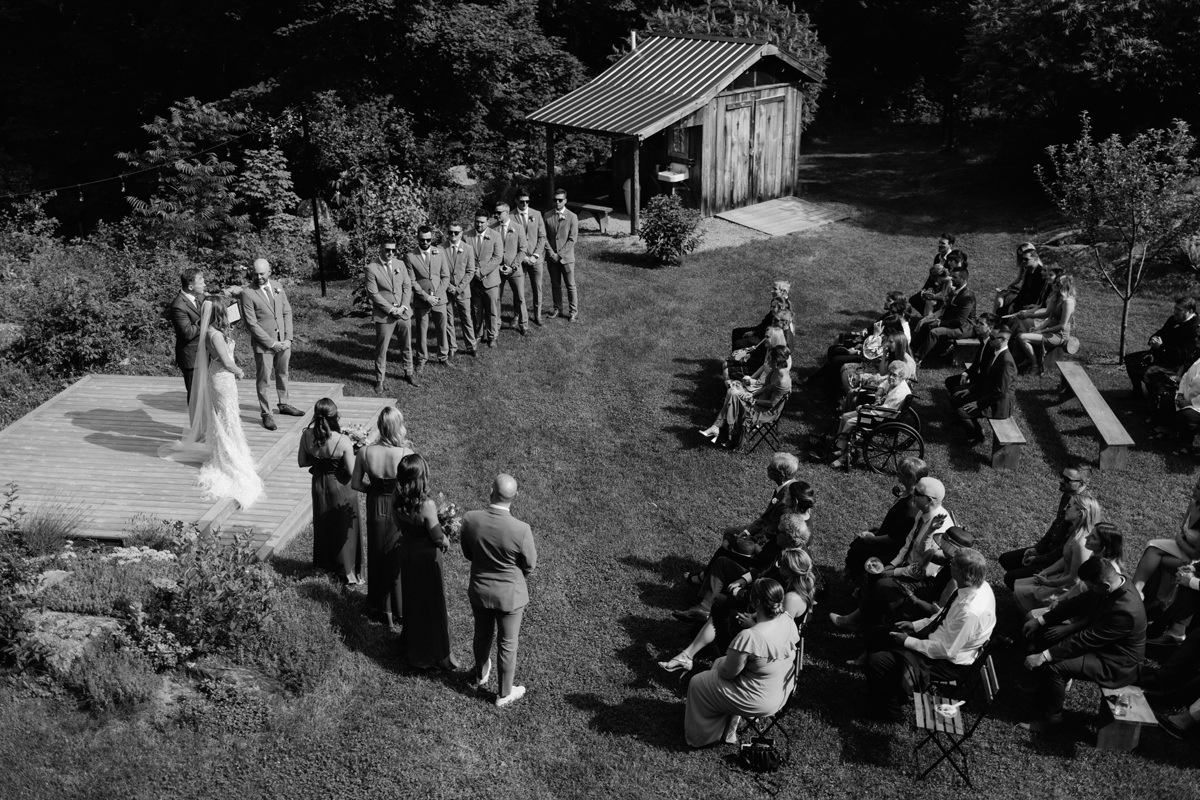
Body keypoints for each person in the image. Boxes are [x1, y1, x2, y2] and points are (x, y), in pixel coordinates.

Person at [861, 548, 995, 721]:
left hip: (946, 662)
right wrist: (914, 625)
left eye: (953, 564)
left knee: (878, 661)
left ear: (964, 573)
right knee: (876, 634)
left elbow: (946, 650)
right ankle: (881, 690)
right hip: (936, 640)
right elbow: (943, 616)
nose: (949, 564)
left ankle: (891, 712)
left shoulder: (971, 612)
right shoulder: (973, 587)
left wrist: (908, 641)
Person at [1020, 556, 1147, 734]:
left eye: (1091, 587)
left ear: (1105, 586)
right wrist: (1040, 621)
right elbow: (1077, 604)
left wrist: (1043, 656)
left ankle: (1052, 718)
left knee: (1054, 666)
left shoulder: (1126, 612)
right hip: (1103, 645)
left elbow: (1084, 640)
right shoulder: (1111, 586)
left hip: (1116, 662)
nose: (1090, 590)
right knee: (1045, 635)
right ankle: (1043, 690)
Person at [683, 578, 800, 747]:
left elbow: (728, 674)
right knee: (718, 663)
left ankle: (703, 738)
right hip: (780, 689)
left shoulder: (750, 636)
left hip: (759, 699)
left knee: (698, 683)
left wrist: (721, 667)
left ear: (756, 602)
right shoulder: (787, 620)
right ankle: (727, 730)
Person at [659, 549, 815, 675]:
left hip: (767, 649)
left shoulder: (792, 599)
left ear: (789, 571)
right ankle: (689, 655)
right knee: (722, 609)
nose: (778, 567)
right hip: (763, 628)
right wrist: (754, 616)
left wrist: (752, 624)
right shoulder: (798, 587)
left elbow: (778, 634)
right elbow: (775, 618)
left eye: (781, 565)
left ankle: (712, 661)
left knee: (727, 614)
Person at [830, 477, 956, 632]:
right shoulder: (922, 512)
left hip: (920, 577)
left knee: (882, 582)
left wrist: (893, 572)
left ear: (930, 500)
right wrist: (892, 564)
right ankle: (866, 607)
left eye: (917, 493)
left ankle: (856, 621)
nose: (913, 494)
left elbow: (924, 570)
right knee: (874, 563)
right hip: (905, 564)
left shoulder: (940, 529)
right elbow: (908, 544)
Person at [461, 473, 538, 707]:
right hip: (510, 596)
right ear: (516, 496)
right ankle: (504, 693)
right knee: (508, 643)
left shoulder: (470, 519)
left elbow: (467, 552)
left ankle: (480, 673)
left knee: (482, 634)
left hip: (480, 590)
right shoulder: (521, 530)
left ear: (490, 491)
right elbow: (530, 564)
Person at [185, 300, 265, 509]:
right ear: (220, 314)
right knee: (228, 417)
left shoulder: (210, 332)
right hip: (223, 377)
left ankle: (229, 452)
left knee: (225, 417)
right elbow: (227, 361)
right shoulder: (216, 335)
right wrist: (239, 371)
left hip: (218, 375)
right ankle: (230, 458)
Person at [351, 406, 414, 629]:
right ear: (398, 427)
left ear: (380, 426)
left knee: (377, 553)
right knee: (397, 555)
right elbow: (412, 489)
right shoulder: (406, 454)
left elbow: (356, 484)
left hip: (376, 505)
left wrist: (372, 490)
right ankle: (400, 608)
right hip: (398, 508)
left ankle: (379, 605)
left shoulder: (365, 452)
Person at [394, 453, 457, 671]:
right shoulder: (427, 505)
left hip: (408, 551)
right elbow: (437, 537)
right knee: (433, 601)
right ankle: (437, 652)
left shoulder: (396, 498)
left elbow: (397, 524)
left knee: (413, 599)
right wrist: (447, 540)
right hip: (427, 557)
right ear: (422, 477)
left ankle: (414, 645)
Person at [297, 398, 359, 586]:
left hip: (319, 484)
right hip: (340, 486)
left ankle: (324, 566)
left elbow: (302, 462)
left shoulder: (306, 435)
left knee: (323, 525)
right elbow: (351, 471)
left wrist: (320, 462)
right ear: (335, 416)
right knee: (343, 526)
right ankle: (346, 570)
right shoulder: (342, 441)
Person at [999, 467, 1091, 589]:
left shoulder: (1083, 508)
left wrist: (1038, 559)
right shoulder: (1067, 495)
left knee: (1011, 578)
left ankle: (1033, 591)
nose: (1061, 481)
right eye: (1061, 475)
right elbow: (1056, 524)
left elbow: (1063, 553)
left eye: (1067, 479)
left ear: (1082, 483)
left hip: (1058, 563)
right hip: (1049, 551)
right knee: (1006, 559)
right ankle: (1026, 586)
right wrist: (1038, 548)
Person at [240, 258, 303, 430]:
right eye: (255, 274)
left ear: (269, 272)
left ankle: (284, 403)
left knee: (283, 373)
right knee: (264, 379)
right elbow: (251, 323)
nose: (258, 277)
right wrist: (272, 343)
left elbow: (287, 311)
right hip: (264, 344)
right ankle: (266, 413)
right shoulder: (247, 293)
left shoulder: (277, 286)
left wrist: (288, 338)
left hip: (283, 341)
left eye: (262, 274)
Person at [1012, 495, 1103, 612]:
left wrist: (1050, 583)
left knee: (1023, 593)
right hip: (1063, 579)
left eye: (1069, 506)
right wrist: (1046, 571)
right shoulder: (1076, 532)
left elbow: (1075, 579)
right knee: (1021, 588)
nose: (1065, 509)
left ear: (1080, 513)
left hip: (1067, 589)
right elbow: (1066, 558)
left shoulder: (1081, 543)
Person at [844, 456, 929, 579]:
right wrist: (877, 531)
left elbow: (895, 539)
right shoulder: (909, 496)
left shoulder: (910, 507)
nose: (897, 473)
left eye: (900, 472)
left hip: (890, 549)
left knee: (858, 547)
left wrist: (871, 539)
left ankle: (855, 579)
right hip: (886, 536)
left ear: (910, 477)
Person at [699, 345, 792, 449]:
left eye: (770, 359)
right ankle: (721, 430)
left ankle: (724, 433)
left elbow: (771, 404)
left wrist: (753, 400)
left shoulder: (783, 381)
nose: (767, 361)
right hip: (761, 399)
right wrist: (752, 394)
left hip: (766, 410)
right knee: (733, 392)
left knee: (733, 394)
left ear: (776, 361)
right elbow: (765, 387)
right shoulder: (774, 371)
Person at [1131, 476, 1200, 608]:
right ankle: (1135, 591)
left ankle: (1155, 600)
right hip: (1182, 546)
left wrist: (1179, 541)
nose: (1194, 489)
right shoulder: (1193, 504)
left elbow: (1196, 554)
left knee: (1160, 560)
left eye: (1198, 488)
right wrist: (1180, 541)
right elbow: (1182, 529)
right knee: (1152, 546)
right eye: (1196, 485)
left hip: (1194, 560)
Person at [830, 360, 911, 469]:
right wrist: (880, 391)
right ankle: (841, 447)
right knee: (845, 417)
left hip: (882, 418)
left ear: (902, 377)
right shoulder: (895, 382)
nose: (890, 377)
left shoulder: (899, 393)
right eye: (890, 373)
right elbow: (884, 383)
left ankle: (843, 457)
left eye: (894, 375)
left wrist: (865, 409)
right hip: (878, 411)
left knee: (850, 422)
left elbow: (884, 411)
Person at [952, 321, 1017, 442]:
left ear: (1003, 340)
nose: (989, 339)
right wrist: (970, 390)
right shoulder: (995, 352)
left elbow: (1000, 392)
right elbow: (986, 378)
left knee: (962, 412)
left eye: (992, 337)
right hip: (989, 393)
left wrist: (978, 404)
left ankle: (978, 436)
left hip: (998, 404)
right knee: (957, 398)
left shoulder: (1006, 362)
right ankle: (971, 429)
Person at [1124, 296, 1198, 399]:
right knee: (1131, 360)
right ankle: (1137, 393)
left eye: (1179, 310)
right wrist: (1154, 339)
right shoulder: (1174, 319)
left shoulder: (1194, 329)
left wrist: (1161, 347)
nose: (1175, 312)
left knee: (1150, 373)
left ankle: (1156, 401)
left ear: (1190, 311)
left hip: (1176, 364)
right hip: (1160, 355)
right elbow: (1162, 332)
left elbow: (1183, 355)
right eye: (1175, 308)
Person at [365, 241, 416, 389]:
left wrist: (403, 306)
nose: (391, 253)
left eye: (394, 250)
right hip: (384, 315)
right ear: (381, 248)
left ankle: (408, 373)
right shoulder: (371, 268)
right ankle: (379, 379)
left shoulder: (400, 264)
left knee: (406, 345)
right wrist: (392, 309)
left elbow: (407, 286)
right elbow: (373, 294)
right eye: (388, 250)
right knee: (382, 348)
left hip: (403, 313)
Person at [405, 225, 451, 370]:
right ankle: (421, 358)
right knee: (421, 331)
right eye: (422, 240)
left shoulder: (440, 252)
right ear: (417, 238)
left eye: (428, 240)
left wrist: (436, 296)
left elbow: (445, 276)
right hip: (421, 300)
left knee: (442, 329)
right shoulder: (410, 256)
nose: (425, 243)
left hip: (439, 299)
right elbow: (412, 281)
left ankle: (443, 356)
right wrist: (426, 297)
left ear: (432, 239)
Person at [913, 260, 976, 364]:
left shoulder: (968, 297)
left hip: (965, 327)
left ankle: (917, 359)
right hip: (952, 322)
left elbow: (960, 321)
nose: (951, 279)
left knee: (934, 332)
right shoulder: (955, 291)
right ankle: (911, 348)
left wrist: (939, 323)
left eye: (954, 277)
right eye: (951, 276)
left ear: (963, 279)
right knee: (926, 325)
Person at [1014, 271, 1076, 374]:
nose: (1054, 285)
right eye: (1054, 282)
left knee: (1022, 337)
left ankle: (1035, 365)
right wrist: (1030, 318)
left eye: (1057, 283)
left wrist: (1042, 331)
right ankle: (1026, 359)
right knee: (1023, 331)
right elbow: (1047, 315)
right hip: (1049, 331)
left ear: (1064, 286)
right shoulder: (1055, 297)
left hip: (1059, 335)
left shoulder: (1068, 302)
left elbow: (1062, 326)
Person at [168, 267, 205, 410]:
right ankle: (195, 423)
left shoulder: (199, 297)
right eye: (201, 282)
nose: (204, 284)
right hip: (191, 358)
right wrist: (206, 319)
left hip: (205, 354)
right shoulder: (178, 306)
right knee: (195, 395)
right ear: (190, 286)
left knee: (205, 394)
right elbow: (187, 332)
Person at [467, 210, 503, 348]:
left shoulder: (495, 236)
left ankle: (493, 336)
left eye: (482, 222)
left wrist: (482, 272)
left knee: (492, 311)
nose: (479, 224)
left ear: (488, 222)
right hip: (474, 281)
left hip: (490, 280)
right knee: (476, 310)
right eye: (477, 221)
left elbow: (497, 258)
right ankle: (478, 334)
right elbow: (464, 256)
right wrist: (473, 272)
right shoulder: (466, 236)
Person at [543, 188, 579, 322]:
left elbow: (572, 239)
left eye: (560, 200)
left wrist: (560, 254)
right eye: (555, 200)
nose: (557, 202)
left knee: (570, 285)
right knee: (555, 284)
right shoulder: (547, 215)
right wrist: (551, 253)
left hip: (566, 258)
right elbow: (544, 237)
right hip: (552, 258)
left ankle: (573, 311)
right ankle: (557, 308)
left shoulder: (572, 216)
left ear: (565, 201)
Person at [493, 201, 529, 335]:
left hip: (514, 270)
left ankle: (523, 324)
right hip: (497, 270)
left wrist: (513, 267)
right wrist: (497, 266)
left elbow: (523, 249)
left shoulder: (518, 228)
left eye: (499, 213)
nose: (496, 215)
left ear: (507, 213)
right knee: (496, 297)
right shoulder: (492, 229)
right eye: (495, 212)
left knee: (520, 297)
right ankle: (496, 324)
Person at [443, 222, 477, 359]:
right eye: (450, 232)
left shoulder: (468, 249)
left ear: (461, 233)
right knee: (448, 320)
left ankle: (471, 345)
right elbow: (438, 271)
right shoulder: (440, 249)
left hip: (462, 290)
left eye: (456, 233)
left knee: (466, 318)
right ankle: (452, 347)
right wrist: (448, 286)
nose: (453, 235)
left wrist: (458, 288)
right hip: (446, 290)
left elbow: (470, 271)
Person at [515, 192, 548, 326]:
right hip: (519, 259)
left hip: (536, 259)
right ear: (516, 201)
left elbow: (542, 237)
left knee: (537, 288)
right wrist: (522, 257)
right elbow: (509, 241)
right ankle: (517, 315)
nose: (525, 204)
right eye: (522, 201)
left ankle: (537, 315)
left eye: (527, 201)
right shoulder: (510, 216)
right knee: (518, 289)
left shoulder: (537, 214)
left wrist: (535, 256)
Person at [994, 242, 1046, 317]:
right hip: (1022, 300)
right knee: (1000, 310)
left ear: (1035, 259)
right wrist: (1014, 303)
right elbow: (1023, 290)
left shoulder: (1041, 273)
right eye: (1022, 258)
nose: (1023, 261)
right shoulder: (1028, 271)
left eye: (1026, 259)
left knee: (1004, 313)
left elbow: (1038, 295)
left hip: (1030, 305)